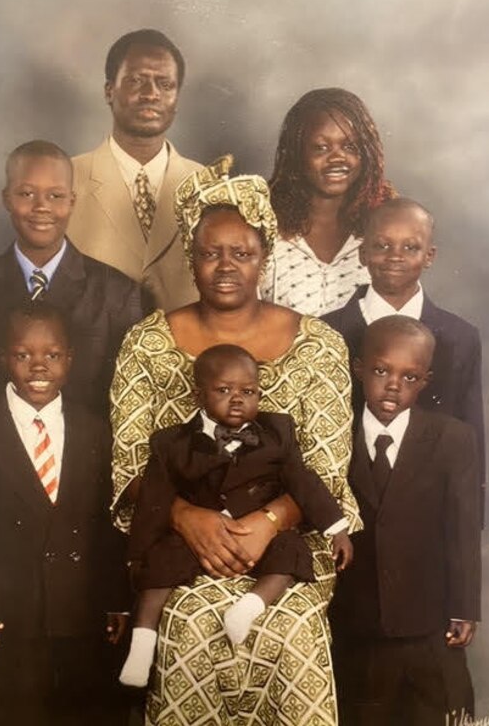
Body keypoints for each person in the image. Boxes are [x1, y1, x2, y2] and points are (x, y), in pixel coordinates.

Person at [110, 155, 361, 725]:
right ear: (190, 260)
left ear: (264, 259)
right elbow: (128, 474)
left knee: (292, 628)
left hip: (282, 555)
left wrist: (267, 523)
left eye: (242, 253)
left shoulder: (318, 346)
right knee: (188, 621)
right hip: (182, 554)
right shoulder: (146, 345)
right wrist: (185, 517)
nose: (226, 267)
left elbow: (324, 473)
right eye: (209, 253)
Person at [119, 343, 353, 687]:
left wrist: (337, 529)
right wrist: (138, 558)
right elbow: (155, 498)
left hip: (257, 532)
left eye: (248, 391)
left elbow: (304, 482)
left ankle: (249, 608)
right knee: (159, 566)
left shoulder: (277, 433)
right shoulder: (171, 443)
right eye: (224, 390)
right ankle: (141, 647)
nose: (238, 399)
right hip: (198, 539)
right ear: (199, 395)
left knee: (290, 550)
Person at [0, 302, 131, 726]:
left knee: (88, 709)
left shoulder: (94, 428)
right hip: (16, 608)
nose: (38, 367)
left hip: (83, 603)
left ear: (70, 358)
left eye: (51, 355)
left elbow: (109, 524)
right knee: (20, 709)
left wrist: (117, 599)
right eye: (23, 355)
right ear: (3, 359)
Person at [331, 316, 481, 726]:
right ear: (359, 368)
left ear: (426, 380)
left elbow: (463, 531)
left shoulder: (453, 439)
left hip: (426, 620)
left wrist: (464, 607)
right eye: (381, 371)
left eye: (410, 376)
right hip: (353, 619)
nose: (393, 385)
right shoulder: (334, 435)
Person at [0, 140, 144, 416]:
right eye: (26, 194)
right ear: (6, 198)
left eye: (55, 196)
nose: (41, 207)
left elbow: (128, 405)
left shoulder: (119, 294)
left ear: (72, 201)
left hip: (87, 455)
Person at [322, 197, 485, 519]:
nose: (395, 257)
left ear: (430, 256)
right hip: (345, 516)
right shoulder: (325, 332)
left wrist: (468, 520)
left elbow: (471, 437)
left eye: (410, 247)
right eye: (382, 245)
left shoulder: (460, 337)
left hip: (426, 517)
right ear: (362, 252)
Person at [66, 28, 202, 311]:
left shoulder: (210, 184)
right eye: (136, 81)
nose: (150, 94)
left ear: (177, 98)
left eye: (165, 84)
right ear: (108, 91)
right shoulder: (64, 180)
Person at [260, 87, 396, 316]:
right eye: (321, 148)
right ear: (297, 154)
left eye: (350, 146)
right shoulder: (263, 227)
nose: (337, 158)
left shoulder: (385, 229)